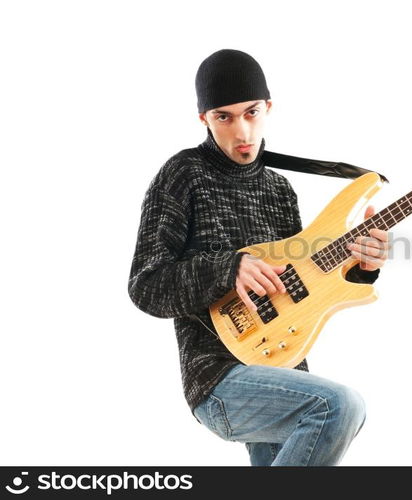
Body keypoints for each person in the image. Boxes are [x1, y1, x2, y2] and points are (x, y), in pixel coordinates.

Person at [127, 49, 389, 466]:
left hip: (283, 365)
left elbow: (303, 284)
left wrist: (361, 267)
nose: (242, 130)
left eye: (251, 112)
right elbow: (145, 286)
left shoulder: (280, 191)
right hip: (218, 378)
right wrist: (229, 269)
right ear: (205, 120)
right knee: (339, 407)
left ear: (268, 107)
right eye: (224, 117)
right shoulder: (184, 174)